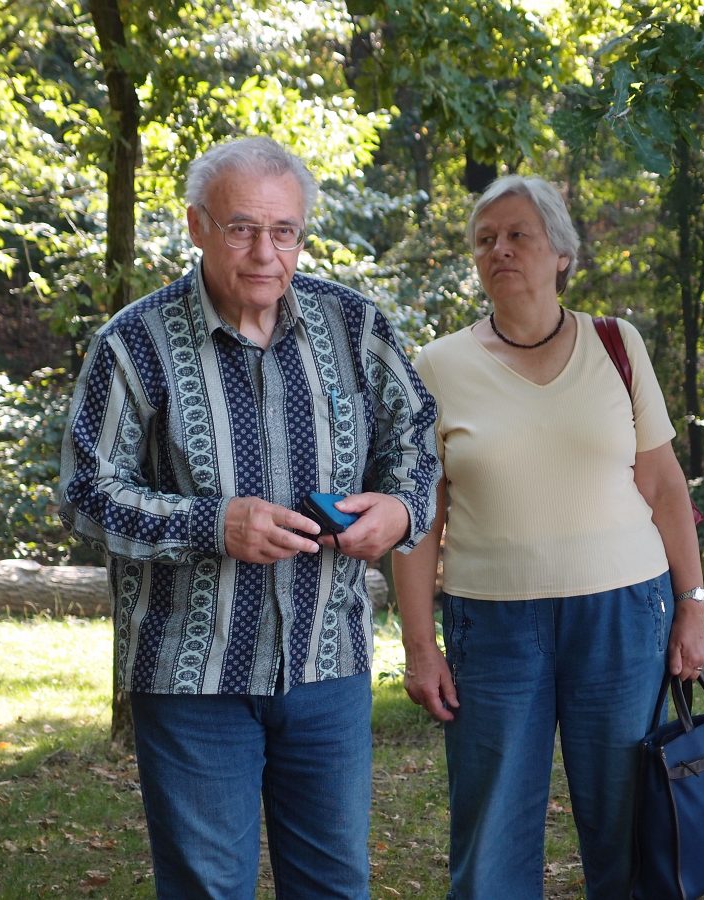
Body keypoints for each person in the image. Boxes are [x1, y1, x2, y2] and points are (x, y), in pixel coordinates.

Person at [58, 135, 440, 899]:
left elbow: (418, 440)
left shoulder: (353, 326)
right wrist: (213, 525)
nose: (266, 252)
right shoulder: (133, 343)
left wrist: (401, 510)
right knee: (208, 889)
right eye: (241, 228)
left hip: (327, 665)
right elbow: (85, 493)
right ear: (197, 226)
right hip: (190, 674)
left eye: (284, 231)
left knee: (334, 885)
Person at [392, 174, 704, 898]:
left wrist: (692, 605)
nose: (499, 250)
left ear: (561, 253)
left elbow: (664, 486)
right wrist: (420, 645)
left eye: (518, 235)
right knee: (492, 835)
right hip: (492, 625)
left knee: (629, 826)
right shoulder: (437, 367)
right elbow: (421, 517)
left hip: (623, 614)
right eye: (485, 239)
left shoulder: (617, 344)